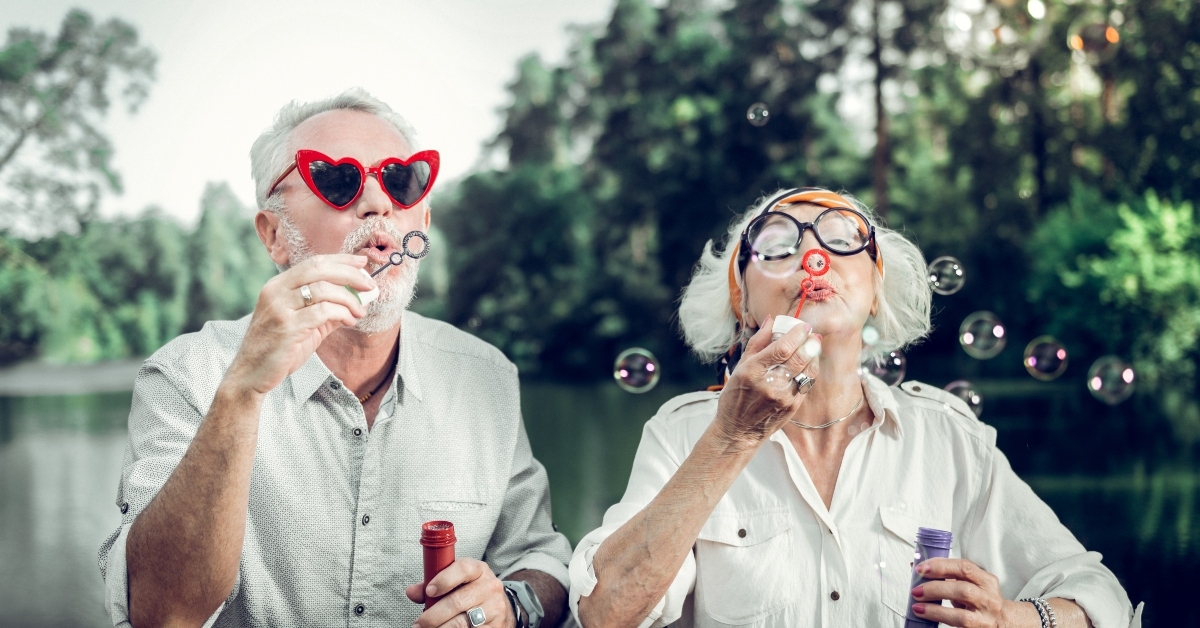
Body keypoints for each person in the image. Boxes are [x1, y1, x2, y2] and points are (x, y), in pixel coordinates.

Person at [98, 88, 571, 628]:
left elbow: (542, 561)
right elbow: (161, 615)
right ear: (275, 235)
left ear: (424, 223)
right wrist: (241, 395)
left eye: (402, 180)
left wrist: (510, 605)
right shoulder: (187, 375)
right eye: (340, 181)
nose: (380, 204)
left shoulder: (485, 376)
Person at [568, 188, 1141, 627]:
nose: (813, 254)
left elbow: (1097, 593)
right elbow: (603, 611)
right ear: (741, 303)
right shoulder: (683, 434)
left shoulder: (946, 439)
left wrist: (1017, 617)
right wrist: (731, 439)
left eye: (841, 237)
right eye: (777, 244)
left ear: (875, 290)